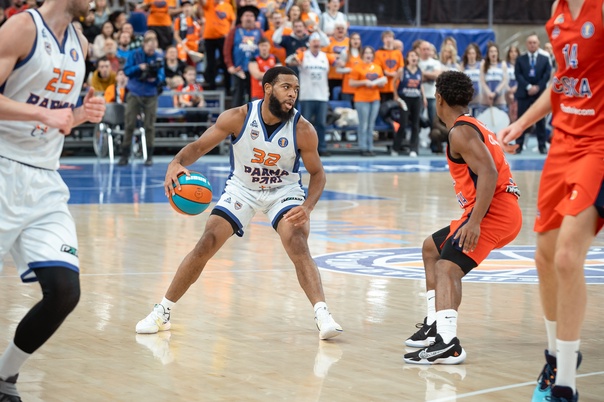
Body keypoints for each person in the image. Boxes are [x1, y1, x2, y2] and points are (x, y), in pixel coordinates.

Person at [135, 66, 343, 341]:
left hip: (283, 190)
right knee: (208, 240)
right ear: (267, 88)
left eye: (295, 89)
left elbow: (318, 174)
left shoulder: (303, 129)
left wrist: (307, 207)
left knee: (296, 240)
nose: (292, 94)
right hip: (243, 188)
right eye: (286, 87)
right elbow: (199, 146)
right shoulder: (238, 117)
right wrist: (176, 162)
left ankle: (322, 313)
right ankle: (162, 311)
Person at [498, 1, 604, 400]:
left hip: (597, 147)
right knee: (544, 257)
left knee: (567, 257)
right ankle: (556, 358)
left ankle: (566, 386)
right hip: (561, 145)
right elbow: (562, 80)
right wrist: (522, 123)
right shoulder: (557, 14)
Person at [0, 0, 106, 399]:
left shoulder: (80, 42)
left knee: (64, 291)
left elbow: (60, 116)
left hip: (45, 179)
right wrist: (42, 115)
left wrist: (82, 114)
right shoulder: (21, 28)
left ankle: (5, 377)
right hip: (3, 166)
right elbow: (43, 114)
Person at [403, 71, 522, 365]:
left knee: (447, 268)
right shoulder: (471, 125)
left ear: (439, 99)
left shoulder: (460, 131)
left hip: (494, 212)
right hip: (496, 208)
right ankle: (435, 324)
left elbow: (489, 173)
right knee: (431, 248)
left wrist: (475, 222)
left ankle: (448, 344)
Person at [119, 30, 165, 167]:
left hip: (151, 93)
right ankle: (124, 155)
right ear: (144, 45)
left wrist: (156, 78)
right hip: (135, 91)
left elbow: (162, 75)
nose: (151, 51)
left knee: (149, 125)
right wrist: (139, 68)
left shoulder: (158, 57)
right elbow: (126, 71)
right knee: (129, 124)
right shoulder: (134, 54)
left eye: (153, 49)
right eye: (149, 48)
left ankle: (149, 156)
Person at [288, 32, 335, 157]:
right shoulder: (303, 54)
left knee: (321, 123)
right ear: (309, 43)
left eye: (318, 41)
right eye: (313, 41)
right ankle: (303, 147)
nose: (316, 44)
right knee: (305, 124)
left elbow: (339, 62)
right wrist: (294, 59)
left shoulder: (325, 56)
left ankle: (322, 147)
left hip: (322, 95)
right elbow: (291, 62)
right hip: (307, 95)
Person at [513, 33, 552, 154]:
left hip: (539, 94)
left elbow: (547, 75)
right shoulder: (520, 59)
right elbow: (518, 75)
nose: (532, 45)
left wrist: (538, 87)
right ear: (526, 44)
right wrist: (528, 87)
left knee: (540, 120)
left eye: (534, 43)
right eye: (530, 43)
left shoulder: (544, 59)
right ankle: (518, 145)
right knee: (521, 120)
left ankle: (542, 145)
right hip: (524, 93)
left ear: (538, 43)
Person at [349, 45, 386, 156]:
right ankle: (363, 147)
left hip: (375, 98)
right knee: (363, 124)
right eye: (366, 53)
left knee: (371, 124)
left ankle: (370, 147)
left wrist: (380, 83)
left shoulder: (377, 67)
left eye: (370, 53)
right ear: (362, 55)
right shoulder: (357, 67)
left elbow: (382, 82)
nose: (368, 55)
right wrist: (364, 82)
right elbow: (351, 82)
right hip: (361, 99)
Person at [223, 5, 263, 106]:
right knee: (237, 96)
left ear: (255, 18)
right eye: (246, 15)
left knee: (254, 98)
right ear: (241, 18)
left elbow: (265, 48)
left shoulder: (260, 32)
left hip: (255, 71)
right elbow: (227, 49)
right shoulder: (234, 31)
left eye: (251, 16)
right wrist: (230, 65)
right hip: (238, 70)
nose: (248, 18)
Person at [392, 49, 426, 157]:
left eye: (415, 56)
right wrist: (395, 95)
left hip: (416, 99)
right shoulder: (402, 70)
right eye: (411, 55)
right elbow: (394, 81)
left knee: (416, 125)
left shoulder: (420, 71)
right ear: (408, 58)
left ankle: (413, 149)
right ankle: (395, 148)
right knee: (403, 124)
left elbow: (420, 84)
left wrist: (424, 97)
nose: (414, 57)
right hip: (404, 99)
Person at [201, 0, 235, 90]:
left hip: (223, 37)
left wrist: (230, 33)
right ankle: (212, 85)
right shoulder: (209, 3)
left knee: (225, 62)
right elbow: (201, 2)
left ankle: (228, 87)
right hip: (209, 37)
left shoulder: (228, 6)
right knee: (210, 62)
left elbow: (233, 20)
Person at [375, 30, 404, 103]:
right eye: (386, 37)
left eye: (390, 37)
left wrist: (397, 74)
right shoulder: (378, 53)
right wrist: (388, 73)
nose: (388, 39)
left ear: (393, 39)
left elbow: (401, 67)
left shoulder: (398, 53)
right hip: (383, 86)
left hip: (396, 86)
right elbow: (377, 68)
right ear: (383, 40)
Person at [479, 42, 508, 112]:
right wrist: (489, 93)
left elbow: (504, 80)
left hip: (499, 98)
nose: (493, 53)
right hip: (486, 97)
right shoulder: (483, 64)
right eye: (491, 51)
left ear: (498, 53)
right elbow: (482, 81)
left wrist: (495, 92)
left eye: (495, 51)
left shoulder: (503, 64)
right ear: (488, 53)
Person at [248, 37, 278, 101]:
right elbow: (257, 75)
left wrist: (262, 74)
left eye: (266, 45)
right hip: (257, 94)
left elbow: (279, 74)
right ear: (258, 47)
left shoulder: (275, 59)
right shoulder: (253, 59)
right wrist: (273, 74)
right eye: (262, 46)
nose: (264, 48)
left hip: (272, 94)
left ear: (269, 46)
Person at [461, 43, 482, 115]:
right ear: (467, 55)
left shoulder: (481, 65)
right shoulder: (463, 65)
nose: (471, 56)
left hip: (478, 98)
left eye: (473, 53)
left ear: (476, 54)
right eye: (469, 53)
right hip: (468, 99)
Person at [505, 44, 520, 122]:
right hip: (507, 93)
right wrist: (509, 90)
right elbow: (503, 79)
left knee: (516, 114)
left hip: (518, 92)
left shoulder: (521, 65)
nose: (513, 54)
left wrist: (516, 88)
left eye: (515, 51)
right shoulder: (505, 65)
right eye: (511, 52)